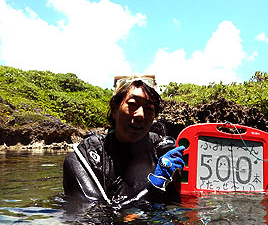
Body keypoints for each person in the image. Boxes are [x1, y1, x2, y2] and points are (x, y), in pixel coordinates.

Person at [63, 75, 185, 209]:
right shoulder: (82, 160)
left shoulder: (159, 151)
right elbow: (94, 218)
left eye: (149, 108)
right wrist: (156, 184)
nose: (141, 114)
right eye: (133, 104)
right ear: (114, 109)